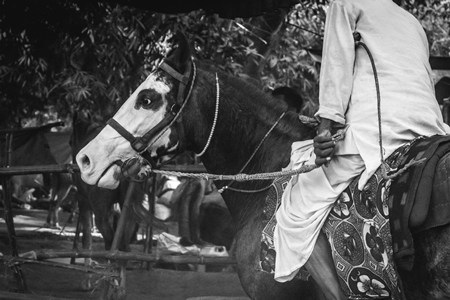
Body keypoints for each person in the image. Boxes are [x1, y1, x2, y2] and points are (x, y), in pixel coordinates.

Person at [273, 0, 450, 299]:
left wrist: (326, 128)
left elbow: (336, 67)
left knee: (294, 207)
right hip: (429, 130)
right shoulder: (412, 21)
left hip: (378, 132)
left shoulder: (347, 3)